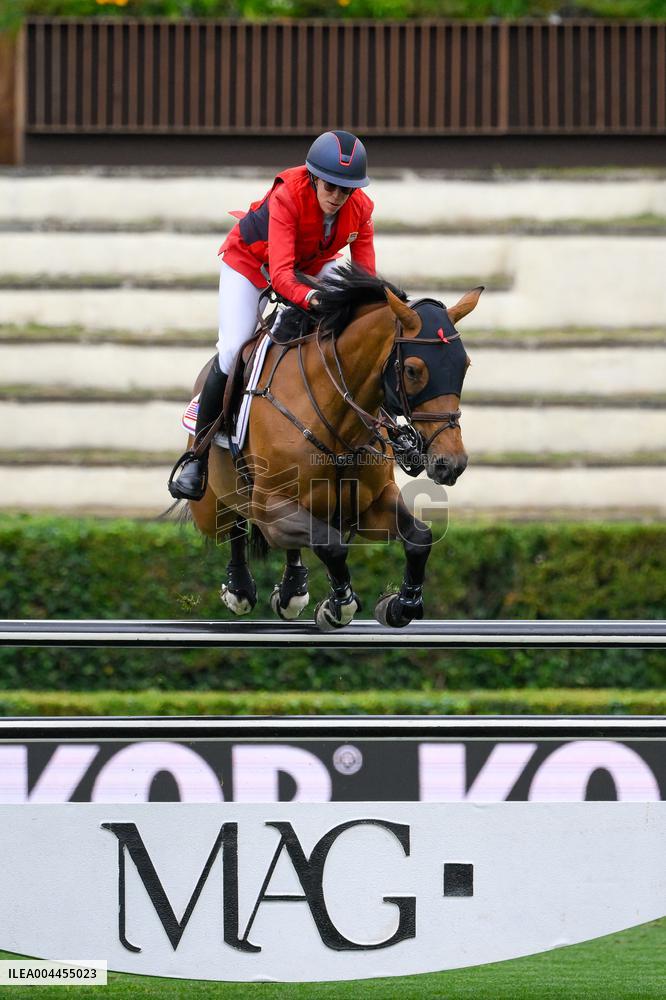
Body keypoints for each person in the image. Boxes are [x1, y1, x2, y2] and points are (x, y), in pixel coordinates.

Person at [168, 129, 376, 501]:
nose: (337, 196)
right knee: (233, 349)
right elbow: (280, 277)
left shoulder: (361, 209)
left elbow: (364, 277)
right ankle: (197, 455)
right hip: (251, 264)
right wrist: (312, 299)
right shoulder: (287, 196)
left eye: (346, 190)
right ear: (313, 177)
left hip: (310, 263)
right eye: (330, 186)